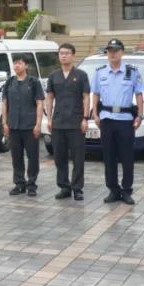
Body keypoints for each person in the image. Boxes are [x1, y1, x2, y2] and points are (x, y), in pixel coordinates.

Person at [91, 38, 144, 205]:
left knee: (127, 156)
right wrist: (95, 114)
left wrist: (140, 115)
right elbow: (96, 94)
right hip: (107, 119)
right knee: (109, 156)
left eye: (115, 50)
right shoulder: (100, 72)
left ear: (122, 52)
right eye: (110, 50)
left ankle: (127, 190)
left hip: (125, 119)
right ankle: (113, 190)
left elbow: (139, 94)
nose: (112, 53)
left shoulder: (132, 71)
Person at [45, 43, 91, 201]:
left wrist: (85, 118)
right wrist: (49, 118)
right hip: (58, 122)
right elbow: (50, 97)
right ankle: (64, 187)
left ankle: (77, 188)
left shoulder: (81, 75)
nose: (63, 55)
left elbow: (86, 97)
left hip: (76, 121)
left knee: (78, 158)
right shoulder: (54, 75)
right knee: (59, 157)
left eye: (66, 53)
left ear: (73, 55)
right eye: (61, 53)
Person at [1, 54, 44, 197]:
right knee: (16, 156)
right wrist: (4, 123)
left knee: (32, 157)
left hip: (29, 126)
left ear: (26, 66)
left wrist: (38, 124)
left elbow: (39, 103)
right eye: (15, 63)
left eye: (19, 63)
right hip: (14, 126)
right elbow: (5, 104)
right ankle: (19, 183)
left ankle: (32, 184)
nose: (16, 66)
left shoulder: (33, 82)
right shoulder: (9, 82)